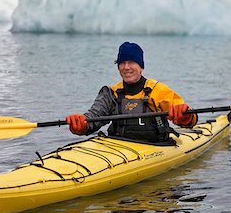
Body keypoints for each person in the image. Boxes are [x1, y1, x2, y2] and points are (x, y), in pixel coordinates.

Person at [66, 42, 197, 143]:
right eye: (122, 63)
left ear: (141, 67)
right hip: (119, 147)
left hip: (155, 147)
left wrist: (185, 116)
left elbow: (191, 119)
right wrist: (79, 125)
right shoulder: (111, 93)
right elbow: (92, 119)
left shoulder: (157, 90)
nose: (126, 67)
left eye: (131, 62)